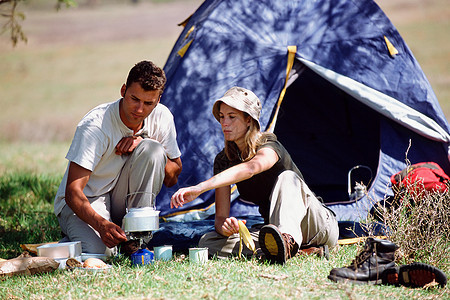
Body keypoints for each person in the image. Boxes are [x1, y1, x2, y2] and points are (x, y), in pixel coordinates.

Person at [171, 86, 338, 264]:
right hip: (273, 230)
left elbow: (251, 168)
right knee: (208, 242)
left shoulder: (269, 143)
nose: (224, 123)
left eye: (232, 117)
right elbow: (220, 219)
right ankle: (294, 250)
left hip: (316, 225)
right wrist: (225, 228)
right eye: (222, 117)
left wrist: (200, 188)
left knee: (287, 178)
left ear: (249, 120)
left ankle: (288, 242)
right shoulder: (223, 160)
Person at [54, 61, 182, 255]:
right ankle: (73, 239)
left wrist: (144, 143)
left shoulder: (162, 117)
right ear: (123, 90)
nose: (139, 109)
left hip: (121, 199)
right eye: (134, 99)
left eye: (148, 103)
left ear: (158, 100)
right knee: (104, 253)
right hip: (87, 199)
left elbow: (173, 178)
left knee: (153, 149)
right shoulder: (95, 125)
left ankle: (135, 240)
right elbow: (73, 192)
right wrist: (101, 224)